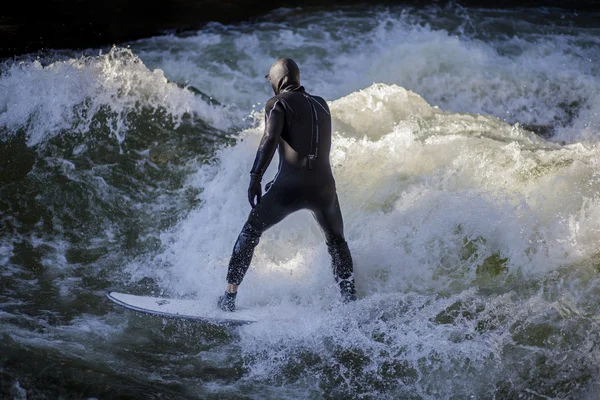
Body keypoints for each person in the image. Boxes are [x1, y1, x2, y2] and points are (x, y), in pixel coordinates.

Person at [217, 58, 356, 312]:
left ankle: (229, 297)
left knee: (250, 232)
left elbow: (269, 139)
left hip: (290, 187)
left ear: (277, 79)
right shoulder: (322, 105)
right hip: (324, 188)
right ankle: (349, 300)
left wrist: (256, 177)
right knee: (337, 241)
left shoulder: (277, 102)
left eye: (270, 79)